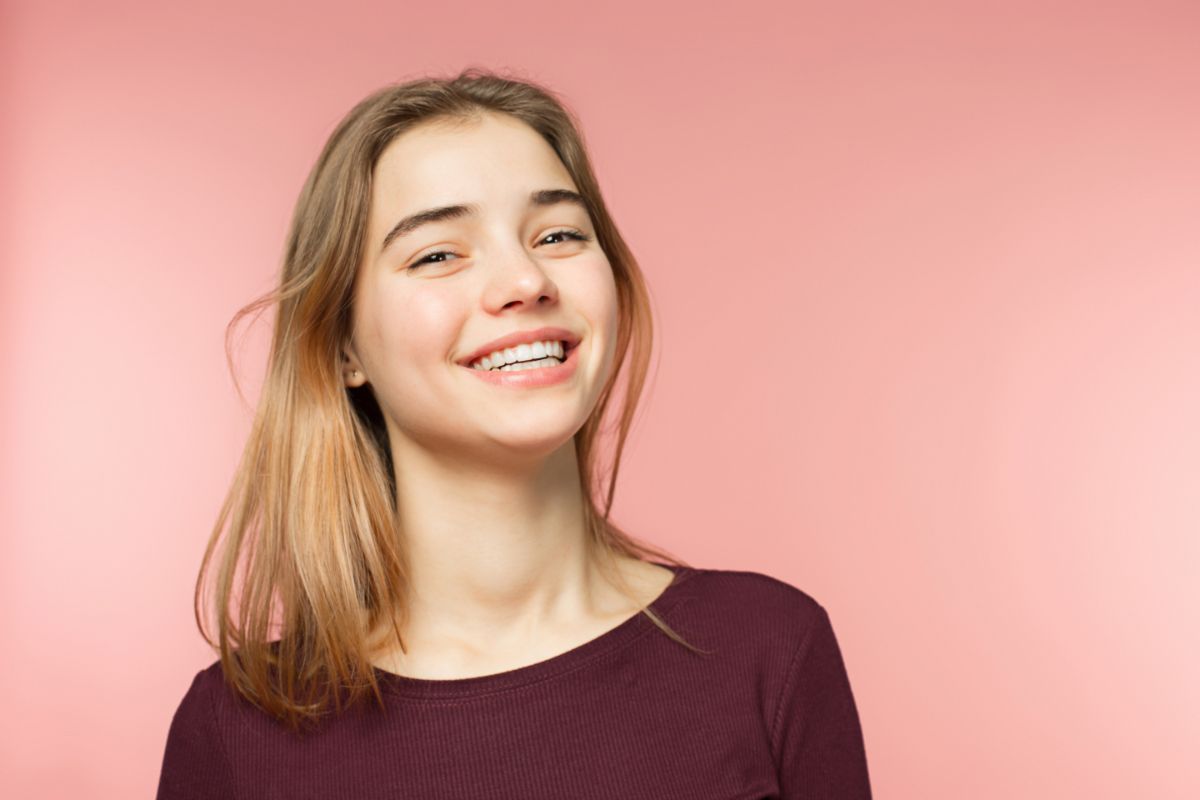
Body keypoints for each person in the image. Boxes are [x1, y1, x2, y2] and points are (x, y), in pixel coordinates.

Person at [155, 67, 873, 799]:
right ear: (343, 348)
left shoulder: (768, 648)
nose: (526, 281)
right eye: (438, 253)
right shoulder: (234, 734)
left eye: (558, 234)